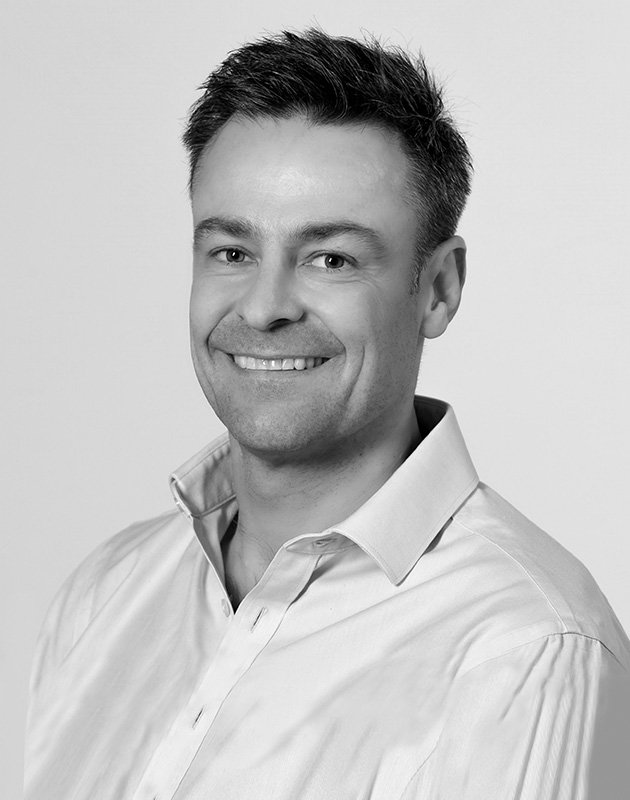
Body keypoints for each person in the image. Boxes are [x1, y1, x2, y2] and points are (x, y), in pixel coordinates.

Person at [25, 29, 630, 799]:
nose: (264, 307)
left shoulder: (533, 656)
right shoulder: (103, 595)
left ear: (439, 289)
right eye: (232, 252)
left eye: (331, 259)